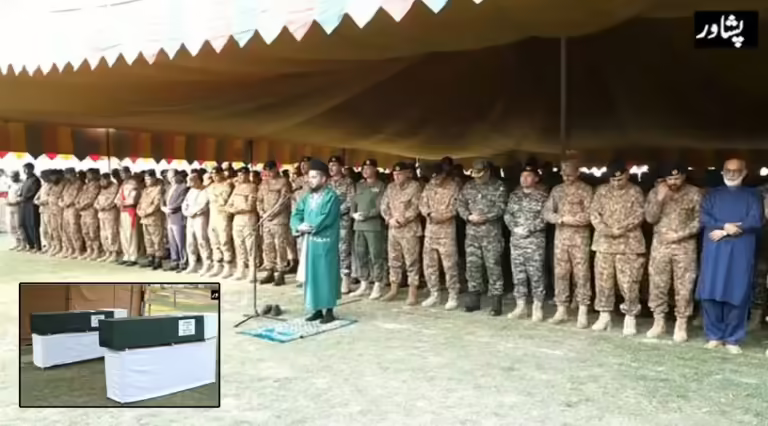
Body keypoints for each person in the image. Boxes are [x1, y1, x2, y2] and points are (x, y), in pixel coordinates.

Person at [697, 158, 763, 354]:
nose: (732, 174)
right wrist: (724, 226)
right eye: (728, 170)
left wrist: (725, 230)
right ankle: (714, 336)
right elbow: (704, 217)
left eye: (736, 171)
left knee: (737, 292)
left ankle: (733, 339)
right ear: (723, 171)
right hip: (714, 250)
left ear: (744, 173)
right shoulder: (712, 195)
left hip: (740, 249)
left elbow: (756, 220)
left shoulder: (752, 196)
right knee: (710, 291)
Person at [644, 163, 702, 342]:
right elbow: (650, 218)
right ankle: (658, 321)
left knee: (684, 286)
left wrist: (678, 235)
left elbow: (700, 221)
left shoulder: (694, 193)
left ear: (684, 176)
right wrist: (660, 199)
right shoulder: (656, 192)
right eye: (670, 179)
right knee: (658, 283)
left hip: (684, 247)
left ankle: (681, 323)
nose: (673, 182)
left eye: (677, 178)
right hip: (660, 246)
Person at [589, 159, 646, 335]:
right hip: (604, 244)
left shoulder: (635, 191)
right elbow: (594, 213)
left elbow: (639, 214)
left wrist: (620, 229)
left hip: (628, 244)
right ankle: (604, 314)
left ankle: (630, 316)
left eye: (620, 179)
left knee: (629, 283)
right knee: (603, 281)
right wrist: (605, 229)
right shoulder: (601, 191)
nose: (616, 183)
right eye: (613, 180)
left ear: (627, 175)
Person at [542, 159, 593, 327]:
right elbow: (547, 212)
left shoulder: (586, 190)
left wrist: (576, 220)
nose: (566, 177)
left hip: (580, 239)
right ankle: (561, 309)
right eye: (563, 174)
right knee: (561, 274)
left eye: (570, 174)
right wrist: (562, 219)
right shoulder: (557, 190)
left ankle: (583, 310)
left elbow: (592, 214)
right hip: (561, 239)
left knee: (582, 274)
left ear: (578, 173)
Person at [290, 159, 342, 324]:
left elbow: (326, 218)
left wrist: (309, 227)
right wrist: (299, 225)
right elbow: (296, 214)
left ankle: (329, 310)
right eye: (309, 177)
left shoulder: (331, 197)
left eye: (314, 177)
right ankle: (317, 309)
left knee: (326, 274)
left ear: (324, 179)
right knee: (311, 275)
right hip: (310, 242)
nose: (310, 180)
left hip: (325, 242)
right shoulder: (307, 197)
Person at [459, 159, 508, 316]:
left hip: (491, 234)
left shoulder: (498, 186)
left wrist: (485, 217)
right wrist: (468, 216)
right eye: (475, 174)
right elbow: (460, 204)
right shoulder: (468, 186)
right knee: (473, 267)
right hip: (472, 234)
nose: (477, 178)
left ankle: (496, 303)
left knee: (493, 267)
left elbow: (502, 207)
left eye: (481, 174)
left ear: (487, 172)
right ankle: (474, 301)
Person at [505, 161, 549, 322]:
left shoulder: (543, 196)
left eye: (528, 176)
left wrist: (528, 228)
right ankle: (521, 306)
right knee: (518, 275)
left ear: (536, 178)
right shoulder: (514, 195)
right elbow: (508, 214)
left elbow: (545, 217)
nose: (524, 179)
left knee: (536, 274)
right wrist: (514, 228)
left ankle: (537, 307)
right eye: (522, 176)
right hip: (516, 241)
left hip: (534, 242)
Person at [419, 162, 461, 310]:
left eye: (438, 176)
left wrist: (442, 216)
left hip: (446, 232)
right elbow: (422, 203)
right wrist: (429, 213)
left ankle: (453, 295)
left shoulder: (453, 186)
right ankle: (434, 294)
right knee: (430, 265)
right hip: (430, 232)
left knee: (449, 265)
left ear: (444, 174)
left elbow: (456, 207)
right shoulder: (429, 185)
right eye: (433, 176)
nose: (435, 179)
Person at [380, 162, 424, 305]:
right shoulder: (390, 187)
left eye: (400, 174)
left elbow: (416, 207)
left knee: (411, 261)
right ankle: (394, 289)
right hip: (393, 230)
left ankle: (413, 292)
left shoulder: (415, 187)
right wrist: (389, 219)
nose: (396, 176)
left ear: (408, 174)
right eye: (395, 174)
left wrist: (403, 219)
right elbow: (383, 205)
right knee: (394, 260)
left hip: (409, 230)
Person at [350, 159, 388, 298]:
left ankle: (378, 284)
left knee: (376, 255)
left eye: (368, 168)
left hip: (373, 226)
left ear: (375, 169)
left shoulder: (380, 186)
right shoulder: (359, 185)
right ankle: (364, 284)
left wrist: (366, 215)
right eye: (363, 168)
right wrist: (353, 214)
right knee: (360, 255)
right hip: (358, 225)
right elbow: (353, 202)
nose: (365, 170)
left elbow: (380, 207)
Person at [257, 160, 292, 286]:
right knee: (267, 245)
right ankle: (270, 270)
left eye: (271, 170)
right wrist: (262, 212)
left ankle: (281, 272)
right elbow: (259, 200)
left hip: (279, 219)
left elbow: (284, 201)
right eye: (267, 170)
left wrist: (271, 214)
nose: (269, 173)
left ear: (276, 169)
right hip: (266, 219)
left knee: (280, 245)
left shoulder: (283, 182)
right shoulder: (264, 183)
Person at [327, 156, 356, 294]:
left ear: (341, 167)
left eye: (334, 165)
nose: (331, 168)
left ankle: (345, 279)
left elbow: (351, 200)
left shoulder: (348, 182)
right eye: (330, 165)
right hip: (328, 222)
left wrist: (337, 211)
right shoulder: (326, 182)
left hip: (342, 220)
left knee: (343, 250)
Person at [227, 167, 259, 281]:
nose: (240, 177)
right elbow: (228, 205)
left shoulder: (253, 187)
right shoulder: (237, 188)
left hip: (249, 219)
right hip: (237, 220)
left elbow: (250, 206)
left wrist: (236, 209)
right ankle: (240, 270)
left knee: (251, 246)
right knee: (238, 245)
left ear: (247, 175)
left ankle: (252, 271)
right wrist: (235, 209)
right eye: (239, 175)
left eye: (242, 175)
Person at [182, 171, 212, 275]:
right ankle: (192, 264)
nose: (190, 184)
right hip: (190, 218)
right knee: (190, 241)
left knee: (202, 240)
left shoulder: (205, 190)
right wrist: (186, 212)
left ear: (198, 180)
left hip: (200, 217)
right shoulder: (191, 191)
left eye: (192, 181)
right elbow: (184, 203)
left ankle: (207, 264)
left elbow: (203, 204)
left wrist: (192, 212)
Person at [206, 167, 234, 278]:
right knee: (214, 241)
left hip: (223, 215)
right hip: (213, 215)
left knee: (224, 241)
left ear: (222, 174)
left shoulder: (226, 185)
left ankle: (228, 266)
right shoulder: (211, 186)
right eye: (212, 174)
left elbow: (223, 201)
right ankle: (217, 264)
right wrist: (215, 197)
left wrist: (214, 196)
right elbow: (210, 198)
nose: (214, 176)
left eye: (217, 174)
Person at [137, 170, 165, 270]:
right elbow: (140, 202)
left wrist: (146, 212)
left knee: (157, 239)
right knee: (147, 239)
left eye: (148, 179)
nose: (146, 181)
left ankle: (158, 259)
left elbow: (156, 204)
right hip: (144, 218)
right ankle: (150, 258)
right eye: (145, 179)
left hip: (154, 218)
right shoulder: (145, 190)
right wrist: (139, 211)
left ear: (154, 178)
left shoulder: (158, 189)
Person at [163, 170, 189, 271]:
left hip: (178, 217)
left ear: (177, 176)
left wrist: (170, 208)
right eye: (169, 177)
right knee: (172, 241)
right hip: (169, 217)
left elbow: (181, 201)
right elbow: (163, 199)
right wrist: (163, 207)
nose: (170, 179)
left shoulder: (183, 187)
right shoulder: (169, 187)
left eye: (172, 177)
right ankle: (174, 260)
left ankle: (183, 261)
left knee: (180, 241)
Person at [115, 169, 141, 266]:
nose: (122, 175)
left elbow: (133, 199)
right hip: (123, 210)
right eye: (121, 173)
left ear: (129, 173)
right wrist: (119, 202)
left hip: (130, 210)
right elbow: (117, 198)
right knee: (124, 234)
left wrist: (123, 202)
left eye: (124, 173)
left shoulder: (133, 184)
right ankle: (126, 255)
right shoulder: (123, 184)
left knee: (131, 234)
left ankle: (133, 256)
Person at [75, 169, 102, 260]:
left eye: (89, 174)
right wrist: (77, 204)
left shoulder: (96, 185)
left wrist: (82, 205)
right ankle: (89, 250)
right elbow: (79, 196)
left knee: (93, 232)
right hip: (83, 212)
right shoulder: (86, 185)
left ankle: (96, 250)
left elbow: (91, 198)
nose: (87, 176)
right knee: (85, 232)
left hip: (91, 212)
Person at [94, 172, 120, 262]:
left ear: (108, 179)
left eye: (103, 180)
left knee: (111, 233)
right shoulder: (103, 189)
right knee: (103, 234)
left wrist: (104, 206)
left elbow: (113, 200)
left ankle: (114, 253)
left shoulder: (114, 187)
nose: (101, 182)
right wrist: (97, 206)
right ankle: (107, 252)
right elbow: (97, 199)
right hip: (101, 214)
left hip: (110, 213)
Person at [60, 168, 83, 258]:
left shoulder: (79, 183)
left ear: (72, 174)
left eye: (67, 174)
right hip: (65, 209)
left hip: (73, 208)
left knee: (74, 229)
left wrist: (68, 202)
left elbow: (78, 196)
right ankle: (70, 248)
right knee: (66, 229)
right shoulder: (68, 184)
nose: (66, 176)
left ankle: (78, 250)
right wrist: (61, 203)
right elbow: (61, 195)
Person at [6, 171, 24, 250]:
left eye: (13, 176)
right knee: (11, 225)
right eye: (11, 177)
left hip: (17, 207)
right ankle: (16, 242)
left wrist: (15, 202)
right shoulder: (10, 185)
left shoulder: (21, 184)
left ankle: (23, 243)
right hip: (9, 207)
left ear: (18, 176)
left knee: (18, 225)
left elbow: (22, 196)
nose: (12, 178)